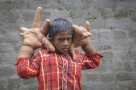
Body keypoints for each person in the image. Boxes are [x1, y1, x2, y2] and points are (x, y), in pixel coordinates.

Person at [16, 7, 103, 90]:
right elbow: (24, 72)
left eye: (68, 39)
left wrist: (86, 44)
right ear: (51, 40)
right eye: (60, 39)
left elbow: (94, 61)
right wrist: (28, 46)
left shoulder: (75, 56)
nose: (65, 43)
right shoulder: (42, 56)